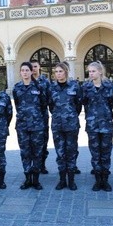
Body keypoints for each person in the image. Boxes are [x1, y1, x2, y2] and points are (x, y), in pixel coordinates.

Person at [12, 62, 47, 190]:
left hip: (37, 126)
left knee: (37, 153)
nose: (25, 72)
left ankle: (36, 180)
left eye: (27, 70)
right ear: (20, 72)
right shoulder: (17, 88)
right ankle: (27, 178)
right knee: (25, 153)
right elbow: (17, 105)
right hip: (22, 126)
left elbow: (44, 106)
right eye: (23, 70)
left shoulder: (39, 87)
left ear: (32, 72)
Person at [49, 62, 83, 191]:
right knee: (60, 153)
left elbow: (78, 105)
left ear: (66, 72)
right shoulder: (51, 88)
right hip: (57, 125)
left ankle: (72, 180)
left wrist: (70, 115)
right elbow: (50, 106)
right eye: (56, 71)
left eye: (60, 71)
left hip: (71, 125)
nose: (58, 74)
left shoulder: (75, 86)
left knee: (71, 152)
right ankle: (62, 179)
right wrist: (59, 115)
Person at [82, 61, 113, 192]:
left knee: (106, 153)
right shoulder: (85, 87)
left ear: (100, 72)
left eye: (93, 71)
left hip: (106, 124)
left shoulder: (109, 86)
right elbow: (82, 102)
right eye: (89, 71)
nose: (91, 73)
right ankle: (97, 180)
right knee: (95, 153)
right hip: (92, 125)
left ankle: (105, 180)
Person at [30, 59, 51, 174]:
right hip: (30, 118)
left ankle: (42, 164)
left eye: (35, 66)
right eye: (31, 67)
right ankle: (33, 165)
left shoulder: (45, 81)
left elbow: (50, 98)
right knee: (31, 143)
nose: (33, 69)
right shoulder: (27, 81)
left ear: (39, 67)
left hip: (42, 116)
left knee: (43, 141)